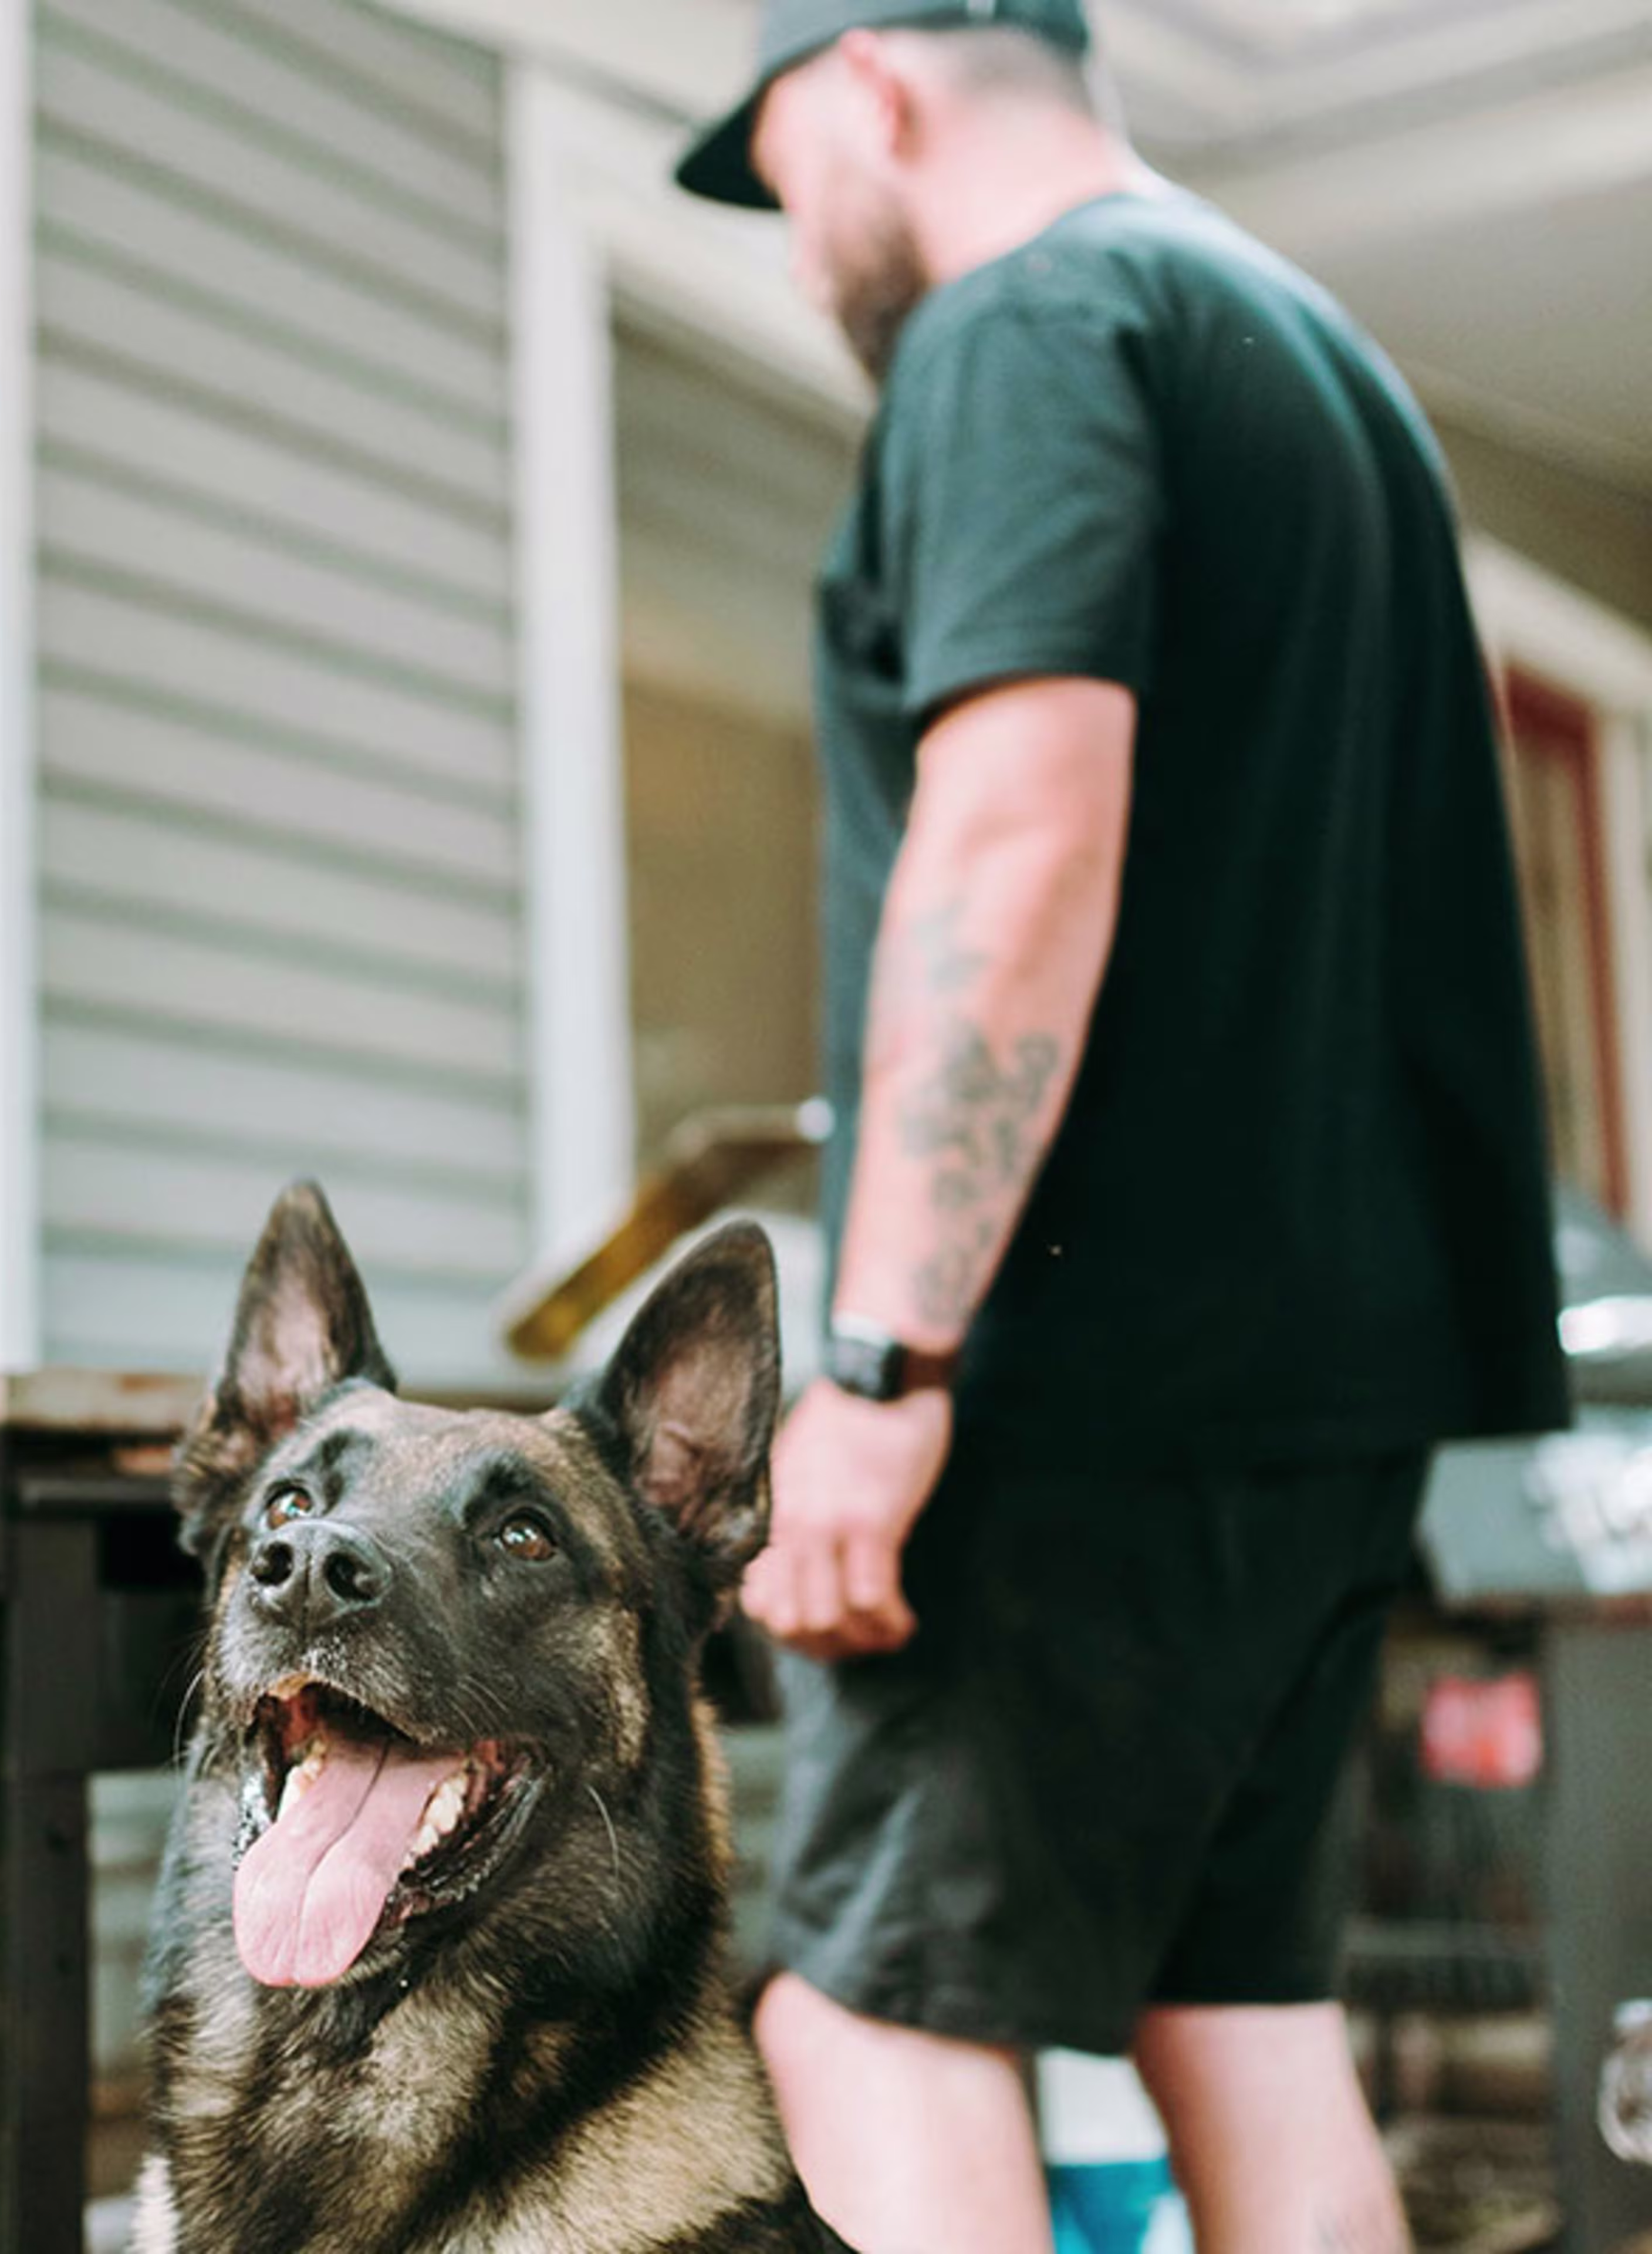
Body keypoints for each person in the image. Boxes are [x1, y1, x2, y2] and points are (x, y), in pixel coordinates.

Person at [675, 6, 1572, 2251]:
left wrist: (880, 1368)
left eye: (783, 173)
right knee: (1236, 2016)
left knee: (871, 2018)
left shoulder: (1027, 329)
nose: (796, 251)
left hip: (1081, 1379)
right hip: (1334, 1385)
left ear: (877, 84)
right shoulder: (1322, 366)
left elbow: (1017, 837)